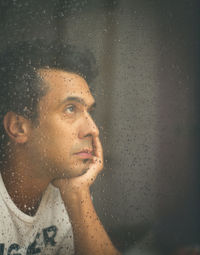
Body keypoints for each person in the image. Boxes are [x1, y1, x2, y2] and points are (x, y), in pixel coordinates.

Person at [0, 41, 120, 255]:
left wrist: (77, 193)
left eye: (89, 111)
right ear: (18, 127)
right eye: (70, 109)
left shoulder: (67, 186)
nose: (93, 129)